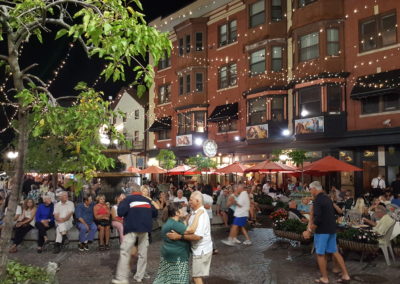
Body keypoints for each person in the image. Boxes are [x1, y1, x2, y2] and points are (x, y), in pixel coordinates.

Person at [303, 181, 350, 284]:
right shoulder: (327, 198)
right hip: (331, 229)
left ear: (314, 189)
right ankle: (346, 275)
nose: (310, 192)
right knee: (335, 252)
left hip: (322, 231)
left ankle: (325, 278)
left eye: (310, 189)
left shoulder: (318, 200)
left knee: (320, 254)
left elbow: (318, 218)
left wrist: (310, 231)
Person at [112, 186, 158, 284]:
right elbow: (155, 213)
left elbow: (120, 213)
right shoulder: (146, 200)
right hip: (145, 229)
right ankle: (139, 277)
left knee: (125, 252)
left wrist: (121, 203)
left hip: (132, 228)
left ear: (131, 191)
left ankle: (121, 278)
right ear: (139, 191)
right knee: (143, 254)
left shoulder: (128, 199)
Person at [166, 191, 213, 284]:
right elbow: (189, 228)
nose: (189, 202)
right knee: (196, 276)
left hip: (201, 251)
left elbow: (197, 237)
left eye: (191, 200)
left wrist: (179, 236)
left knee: (196, 277)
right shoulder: (195, 212)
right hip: (198, 250)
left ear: (198, 201)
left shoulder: (201, 214)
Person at [153, 202, 204, 284]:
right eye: (181, 209)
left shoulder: (171, 221)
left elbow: (183, 225)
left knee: (166, 278)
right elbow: (191, 230)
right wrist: (197, 216)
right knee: (180, 279)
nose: (184, 210)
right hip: (177, 256)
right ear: (177, 213)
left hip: (169, 254)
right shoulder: (174, 224)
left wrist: (187, 219)